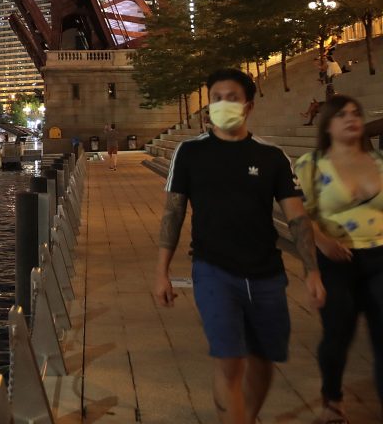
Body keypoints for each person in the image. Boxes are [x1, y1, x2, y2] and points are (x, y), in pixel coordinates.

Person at [154, 67, 325, 424]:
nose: (223, 104)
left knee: (264, 362)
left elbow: (295, 216)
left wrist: (312, 272)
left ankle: (247, 416)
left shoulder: (273, 156)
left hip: (266, 273)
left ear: (248, 106)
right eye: (216, 98)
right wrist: (162, 272)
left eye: (232, 98)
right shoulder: (188, 153)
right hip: (213, 270)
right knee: (229, 361)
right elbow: (173, 213)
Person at [295, 95, 383, 422]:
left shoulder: (380, 162)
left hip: (379, 257)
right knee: (337, 334)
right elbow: (300, 215)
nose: (351, 119)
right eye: (342, 114)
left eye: (355, 113)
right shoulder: (311, 164)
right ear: (328, 125)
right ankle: (332, 398)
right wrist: (321, 244)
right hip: (337, 262)